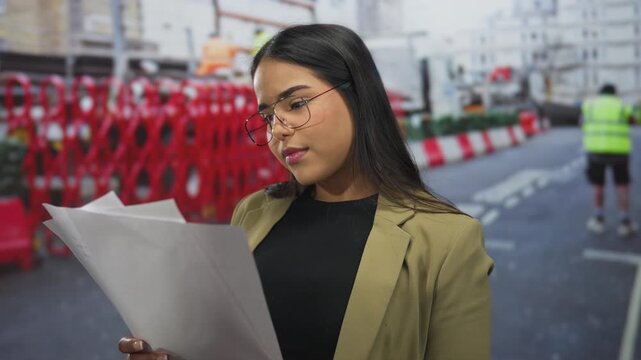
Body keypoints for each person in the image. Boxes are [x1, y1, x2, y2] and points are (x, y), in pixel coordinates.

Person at [119, 24, 494, 360]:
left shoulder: (448, 241)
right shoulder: (252, 212)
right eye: (267, 116)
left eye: (296, 104)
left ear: (358, 97)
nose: (277, 130)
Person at [582, 84, 638, 237]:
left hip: (596, 151)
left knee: (598, 186)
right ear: (615, 93)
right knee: (622, 186)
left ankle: (599, 219)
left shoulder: (590, 106)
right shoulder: (622, 105)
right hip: (619, 151)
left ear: (600, 94)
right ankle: (625, 222)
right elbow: (635, 120)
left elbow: (583, 124)